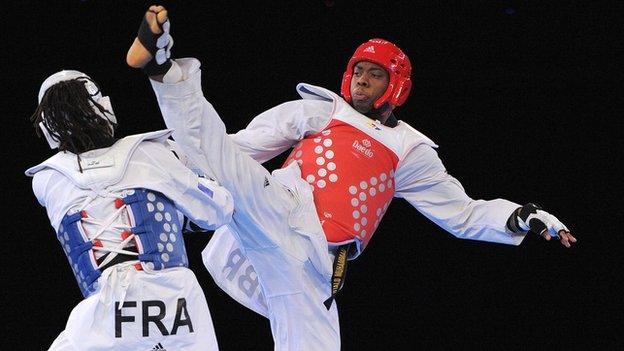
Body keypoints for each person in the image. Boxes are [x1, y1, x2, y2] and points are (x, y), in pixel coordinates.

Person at [127, 6, 577, 350]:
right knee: (221, 157)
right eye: (358, 70)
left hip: (318, 264)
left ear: (395, 86)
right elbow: (238, 149)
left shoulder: (411, 150)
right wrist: (186, 172)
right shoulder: (320, 111)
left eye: (374, 74)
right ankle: (164, 68)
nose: (361, 79)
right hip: (281, 206)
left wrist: (519, 216)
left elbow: (460, 212)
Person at [26, 66, 234, 350]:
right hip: (174, 304)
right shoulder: (151, 153)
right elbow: (218, 210)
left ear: (47, 129)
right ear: (103, 107)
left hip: (104, 314)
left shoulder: (47, 180)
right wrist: (190, 175)